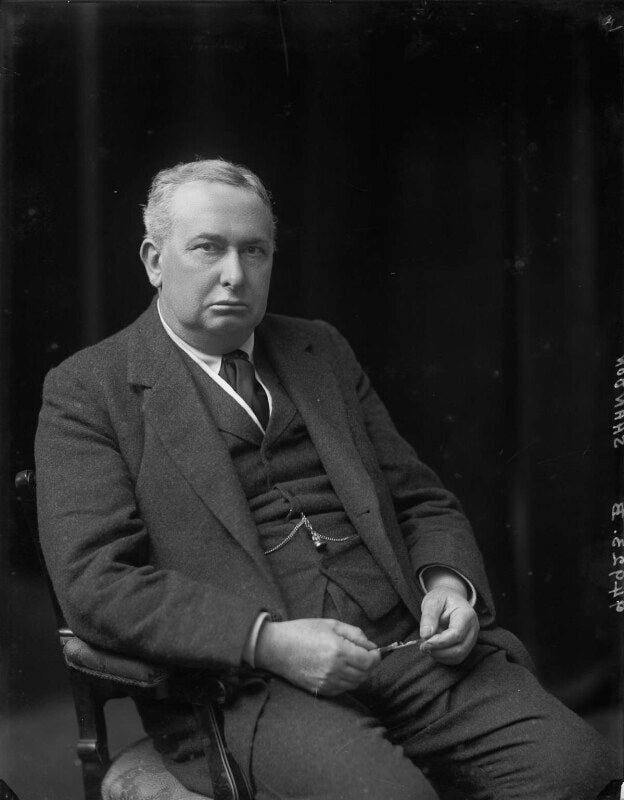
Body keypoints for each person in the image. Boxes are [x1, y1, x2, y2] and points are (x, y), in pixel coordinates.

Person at [35, 158, 617, 800]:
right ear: (154, 260)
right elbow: (96, 581)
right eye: (207, 248)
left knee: (581, 773)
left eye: (254, 251)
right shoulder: (90, 389)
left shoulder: (320, 351)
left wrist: (449, 584)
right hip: (254, 686)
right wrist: (266, 642)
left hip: (412, 651)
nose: (235, 274)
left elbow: (419, 498)